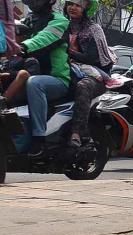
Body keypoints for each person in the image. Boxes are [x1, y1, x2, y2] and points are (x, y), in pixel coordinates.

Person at [63, 0, 116, 147]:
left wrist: (68, 53)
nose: (72, 7)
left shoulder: (94, 29)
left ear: (86, 8)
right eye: (69, 3)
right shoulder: (61, 25)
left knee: (83, 87)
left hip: (95, 76)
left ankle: (77, 133)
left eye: (77, 5)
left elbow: (91, 58)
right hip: (67, 70)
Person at [22, 0, 70, 157]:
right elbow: (10, 35)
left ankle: (38, 138)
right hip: (29, 71)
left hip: (56, 79)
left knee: (35, 84)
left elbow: (43, 38)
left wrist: (22, 47)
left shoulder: (59, 20)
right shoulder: (27, 20)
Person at [1, 20, 40, 107]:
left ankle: (2, 103)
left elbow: (31, 78)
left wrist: (7, 74)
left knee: (23, 74)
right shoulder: (8, 58)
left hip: (22, 94)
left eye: (13, 34)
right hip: (6, 88)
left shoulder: (30, 58)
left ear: (24, 37)